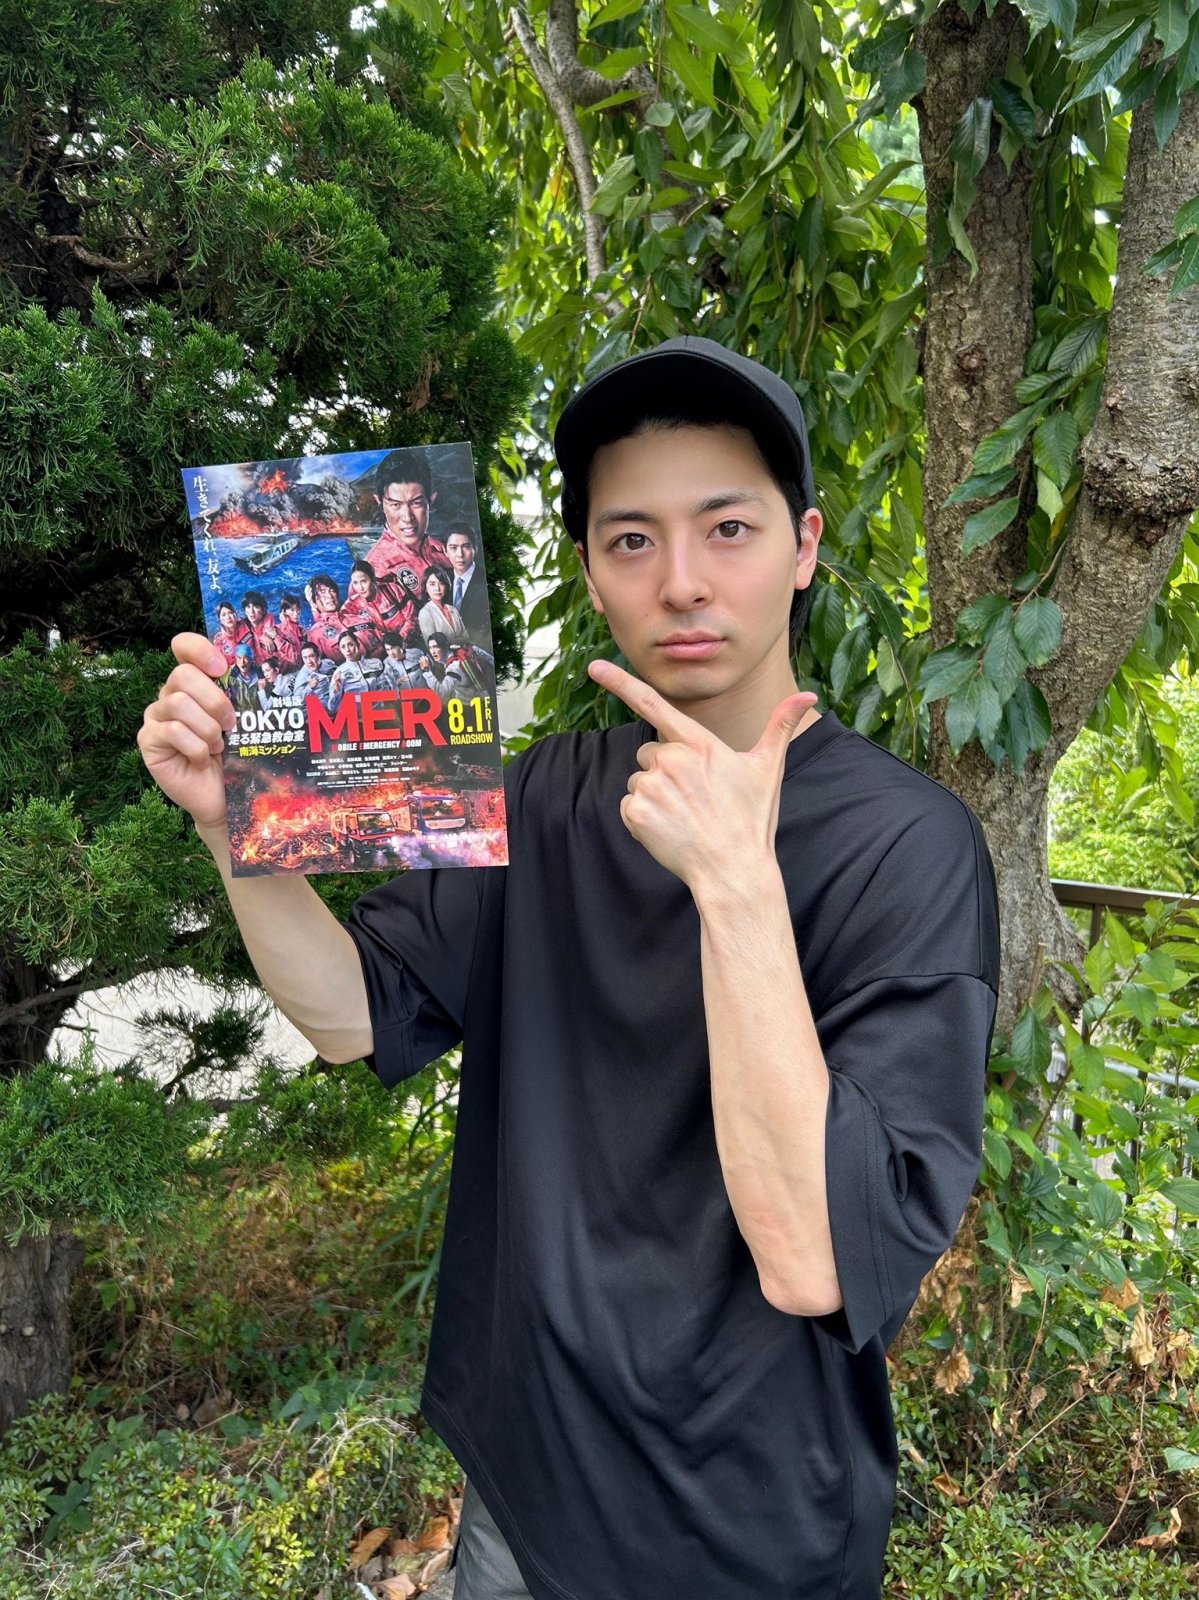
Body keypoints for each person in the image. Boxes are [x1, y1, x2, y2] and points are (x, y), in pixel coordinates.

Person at [138, 335, 1000, 1600]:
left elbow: (816, 1257)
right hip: (525, 1493)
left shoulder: (909, 845)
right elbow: (353, 1015)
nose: (683, 582)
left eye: (729, 528)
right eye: (632, 539)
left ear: (804, 546)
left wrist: (735, 881)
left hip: (753, 1531)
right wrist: (236, 831)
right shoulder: (540, 796)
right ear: (593, 574)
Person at [365, 448, 449, 591]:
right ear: (380, 502)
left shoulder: (445, 551)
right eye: (395, 505)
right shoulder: (372, 572)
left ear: (431, 499)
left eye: (416, 503)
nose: (407, 518)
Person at [444, 526, 491, 641]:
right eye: (453, 548)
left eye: (465, 547)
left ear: (475, 548)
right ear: (445, 551)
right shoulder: (441, 579)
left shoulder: (485, 580)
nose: (460, 554)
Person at [418, 565, 469, 650]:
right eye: (432, 584)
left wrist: (450, 642)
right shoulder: (425, 612)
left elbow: (466, 636)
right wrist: (458, 642)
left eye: (441, 583)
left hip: (464, 653)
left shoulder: (452, 609)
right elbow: (432, 645)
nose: (437, 588)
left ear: (446, 586)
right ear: (426, 588)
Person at [211, 600, 252, 667]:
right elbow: (219, 666)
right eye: (223, 615)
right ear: (220, 620)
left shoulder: (247, 624)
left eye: (230, 613)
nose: (228, 617)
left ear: (235, 615)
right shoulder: (219, 641)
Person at [226, 641, 260, 711]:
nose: (242, 662)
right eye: (239, 657)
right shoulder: (229, 678)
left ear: (251, 659)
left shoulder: (261, 676)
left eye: (246, 658)